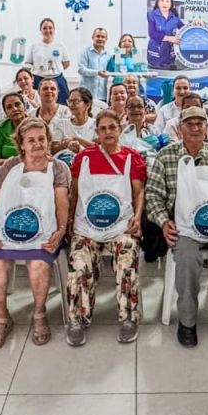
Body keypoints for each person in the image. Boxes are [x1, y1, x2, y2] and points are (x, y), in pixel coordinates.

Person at [145, 107, 208, 348]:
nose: (195, 127)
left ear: (207, 128)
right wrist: (164, 222)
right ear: (180, 128)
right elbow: (153, 196)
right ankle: (187, 320)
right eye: (189, 123)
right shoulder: (166, 156)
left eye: (200, 123)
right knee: (188, 256)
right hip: (184, 228)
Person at [0, 118, 70, 351]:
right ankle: (2, 318)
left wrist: (61, 231)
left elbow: (62, 203)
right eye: (30, 140)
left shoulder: (58, 168)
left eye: (41, 139)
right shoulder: (10, 166)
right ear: (21, 144)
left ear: (49, 140)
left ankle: (39, 313)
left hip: (44, 233)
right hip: (5, 233)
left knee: (38, 265)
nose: (37, 144)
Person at [65, 109, 147, 345]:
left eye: (112, 127)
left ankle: (128, 317)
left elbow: (138, 192)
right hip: (86, 228)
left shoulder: (132, 157)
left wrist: (138, 217)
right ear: (97, 132)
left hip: (121, 226)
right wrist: (70, 220)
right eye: (103, 128)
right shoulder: (84, 157)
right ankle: (78, 319)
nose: (108, 132)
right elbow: (75, 192)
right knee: (79, 266)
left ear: (119, 129)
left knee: (126, 261)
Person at [25, 18, 71, 104]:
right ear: (41, 30)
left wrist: (55, 70)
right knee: (39, 104)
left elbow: (66, 63)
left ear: (54, 29)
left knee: (62, 103)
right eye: (45, 28)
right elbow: (28, 63)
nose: (48, 30)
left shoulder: (60, 45)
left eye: (50, 28)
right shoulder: (34, 46)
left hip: (57, 79)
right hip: (39, 79)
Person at [51, 87, 96, 156]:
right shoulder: (62, 123)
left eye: (75, 101)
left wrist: (76, 139)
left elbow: (99, 148)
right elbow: (53, 150)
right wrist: (64, 145)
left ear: (88, 104)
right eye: (69, 101)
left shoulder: (95, 124)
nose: (71, 105)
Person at [147, 0, 184, 70]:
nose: (165, 3)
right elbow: (152, 33)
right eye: (162, 0)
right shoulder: (152, 15)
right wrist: (170, 38)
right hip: (156, 53)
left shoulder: (175, 18)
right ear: (158, 3)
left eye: (168, 1)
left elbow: (185, 29)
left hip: (170, 54)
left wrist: (195, 22)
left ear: (171, 4)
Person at [0, 92, 29, 164]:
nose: (14, 109)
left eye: (17, 104)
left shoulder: (36, 124)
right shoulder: (0, 128)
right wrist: (14, 162)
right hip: (9, 169)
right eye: (9, 107)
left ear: (24, 106)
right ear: (6, 113)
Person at [77, 27, 112, 102]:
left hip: (102, 95)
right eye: (98, 36)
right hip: (86, 94)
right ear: (93, 37)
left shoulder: (109, 55)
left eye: (103, 37)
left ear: (106, 39)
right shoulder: (85, 52)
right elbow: (81, 70)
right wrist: (97, 73)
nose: (100, 38)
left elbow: (111, 71)